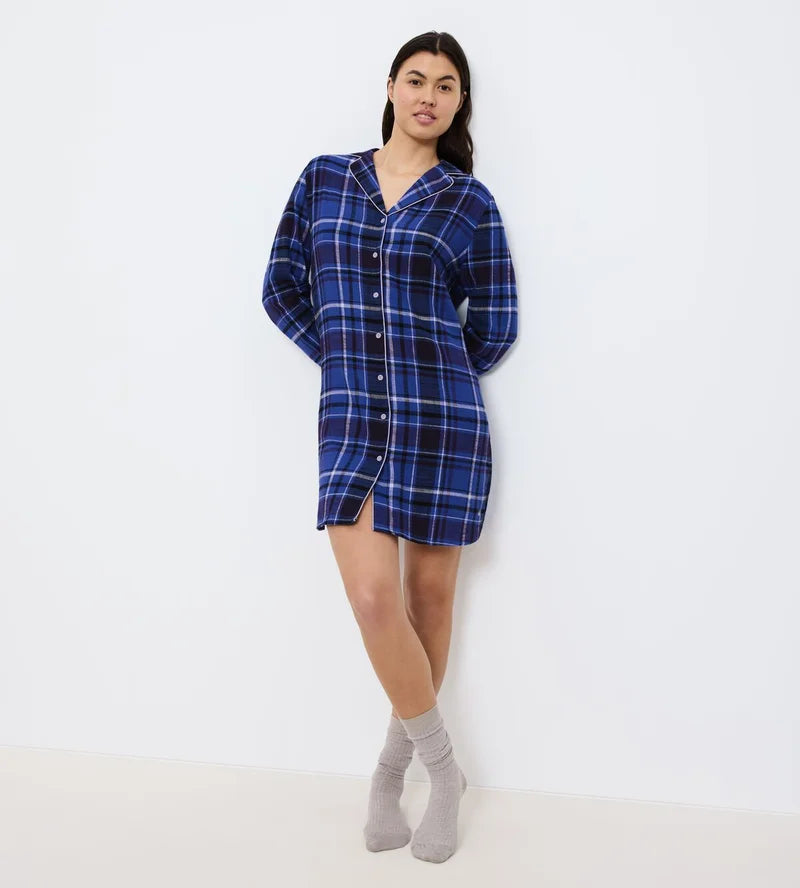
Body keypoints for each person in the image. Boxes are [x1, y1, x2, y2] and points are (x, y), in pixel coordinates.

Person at [262, 31, 518, 864]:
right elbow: (281, 287)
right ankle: (442, 771)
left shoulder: (467, 202)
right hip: (352, 422)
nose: (429, 96)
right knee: (375, 599)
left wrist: (426, 369)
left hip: (442, 419)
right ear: (391, 86)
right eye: (417, 79)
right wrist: (346, 358)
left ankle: (388, 770)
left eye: (446, 86)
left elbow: (496, 321)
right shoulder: (325, 179)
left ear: (459, 103)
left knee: (429, 603)